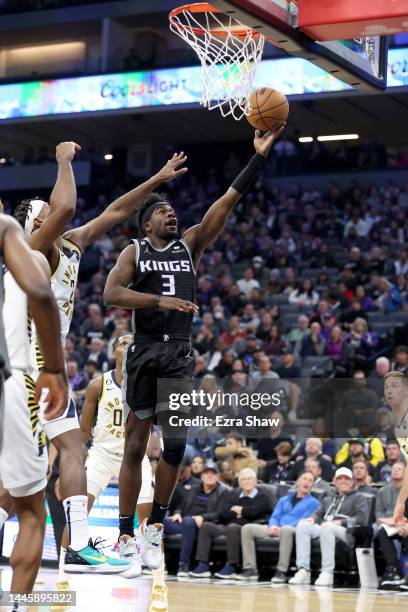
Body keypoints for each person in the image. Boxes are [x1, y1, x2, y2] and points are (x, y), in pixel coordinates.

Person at [103, 128, 284, 588]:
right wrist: (162, 304)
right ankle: (125, 535)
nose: (171, 214)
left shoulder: (191, 245)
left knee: (177, 447)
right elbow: (110, 294)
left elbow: (227, 200)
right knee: (134, 447)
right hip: (144, 352)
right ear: (147, 224)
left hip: (180, 357)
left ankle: (155, 526)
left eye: (172, 210)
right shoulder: (134, 251)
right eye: (162, 211)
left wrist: (257, 158)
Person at [14, 143, 190, 575]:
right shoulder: (37, 248)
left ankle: (73, 545)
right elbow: (68, 205)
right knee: (56, 460)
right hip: (27, 364)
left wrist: (156, 181)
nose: (49, 217)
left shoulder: (70, 245)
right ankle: (72, 545)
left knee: (49, 462)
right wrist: (63, 161)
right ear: (33, 226)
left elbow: (113, 212)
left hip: (36, 366)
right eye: (42, 216)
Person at [0, 214, 68, 595]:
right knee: (30, 511)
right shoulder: (16, 240)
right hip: (10, 379)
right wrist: (54, 370)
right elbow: (43, 295)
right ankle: (17, 605)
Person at [57, 334, 155, 584]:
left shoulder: (148, 384)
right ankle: (61, 577)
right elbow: (82, 432)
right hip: (101, 454)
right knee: (79, 511)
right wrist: (71, 469)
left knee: (148, 521)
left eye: (133, 342)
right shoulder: (98, 384)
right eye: (123, 342)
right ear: (114, 352)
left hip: (135, 458)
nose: (129, 345)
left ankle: (158, 583)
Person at [289, 467, 367, 587]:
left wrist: (340, 523)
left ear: (352, 482)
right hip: (326, 528)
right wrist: (311, 519)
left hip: (348, 532)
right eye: (340, 479)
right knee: (303, 525)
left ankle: (327, 572)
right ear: (335, 482)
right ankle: (303, 570)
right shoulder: (328, 499)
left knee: (327, 526)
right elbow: (318, 514)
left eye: (347, 479)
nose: (343, 481)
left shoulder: (359, 497)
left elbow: (362, 519)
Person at [237, 471, 319, 583]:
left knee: (286, 530)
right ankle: (250, 569)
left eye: (310, 480)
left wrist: (282, 528)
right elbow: (275, 516)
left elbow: (303, 521)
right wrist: (273, 526)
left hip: (294, 530)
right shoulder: (284, 499)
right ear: (298, 482)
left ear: (312, 485)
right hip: (276, 527)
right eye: (304, 478)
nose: (307, 482)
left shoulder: (314, 502)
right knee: (247, 528)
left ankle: (281, 571)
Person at [189, 468, 271, 579]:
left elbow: (255, 512)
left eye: (249, 479)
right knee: (206, 526)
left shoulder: (262, 496)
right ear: (239, 483)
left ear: (255, 481)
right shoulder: (234, 494)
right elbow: (224, 513)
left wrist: (240, 510)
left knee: (233, 527)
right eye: (243, 479)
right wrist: (241, 512)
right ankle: (203, 564)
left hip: (247, 528)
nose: (246, 482)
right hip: (227, 525)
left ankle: (231, 565)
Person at [164, 462, 229, 577]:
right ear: (202, 476)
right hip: (185, 523)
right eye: (207, 473)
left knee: (189, 521)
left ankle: (183, 563)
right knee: (157, 522)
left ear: (218, 477)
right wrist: (178, 513)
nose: (209, 476)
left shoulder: (223, 492)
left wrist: (203, 517)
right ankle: (157, 563)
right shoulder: (193, 490)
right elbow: (180, 506)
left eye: (213, 474)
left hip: (204, 526)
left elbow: (220, 514)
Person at [376, 462, 407, 588]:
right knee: (382, 531)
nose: (396, 471)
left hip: (403, 523)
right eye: (394, 469)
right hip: (394, 523)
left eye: (400, 469)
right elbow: (378, 513)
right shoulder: (383, 491)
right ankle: (393, 570)